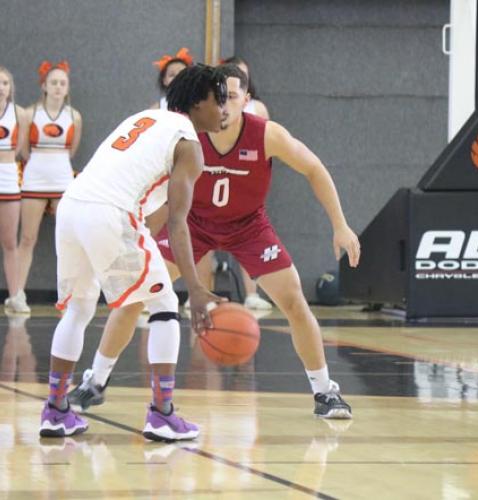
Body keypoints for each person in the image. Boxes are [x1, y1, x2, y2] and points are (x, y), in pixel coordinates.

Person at [69, 64, 361, 420]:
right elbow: (161, 192)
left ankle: (324, 392)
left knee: (293, 300)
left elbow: (314, 168)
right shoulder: (187, 133)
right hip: (193, 224)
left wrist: (340, 225)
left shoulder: (267, 134)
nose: (223, 105)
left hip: (249, 226)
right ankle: (94, 382)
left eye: (232, 97)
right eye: (218, 97)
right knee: (134, 298)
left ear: (247, 101)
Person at [39, 64, 228, 440]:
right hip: (109, 214)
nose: (224, 108)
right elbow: (177, 223)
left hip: (72, 207)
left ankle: (56, 410)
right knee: (163, 306)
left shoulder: (145, 117)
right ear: (196, 102)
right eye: (217, 99)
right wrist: (195, 288)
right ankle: (162, 413)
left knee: (78, 310)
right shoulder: (189, 145)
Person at [189, 55, 273, 311]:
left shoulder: (258, 112)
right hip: (208, 190)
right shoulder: (204, 111)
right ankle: (202, 295)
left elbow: (267, 147)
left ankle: (252, 293)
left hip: (242, 189)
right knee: (201, 246)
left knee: (250, 241)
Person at [17, 61, 82, 313]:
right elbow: (23, 148)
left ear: (67, 88)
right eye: (53, 82)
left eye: (62, 83)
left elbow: (73, 149)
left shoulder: (74, 116)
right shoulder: (29, 113)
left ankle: (70, 293)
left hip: (63, 179)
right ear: (44, 86)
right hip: (34, 179)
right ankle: (18, 294)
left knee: (67, 238)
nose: (57, 87)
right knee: (28, 237)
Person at [0, 67, 29, 313]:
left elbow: (20, 148)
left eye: (5, 83)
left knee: (10, 241)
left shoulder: (19, 114)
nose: (1, 87)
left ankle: (16, 295)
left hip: (8, 176)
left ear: (11, 88)